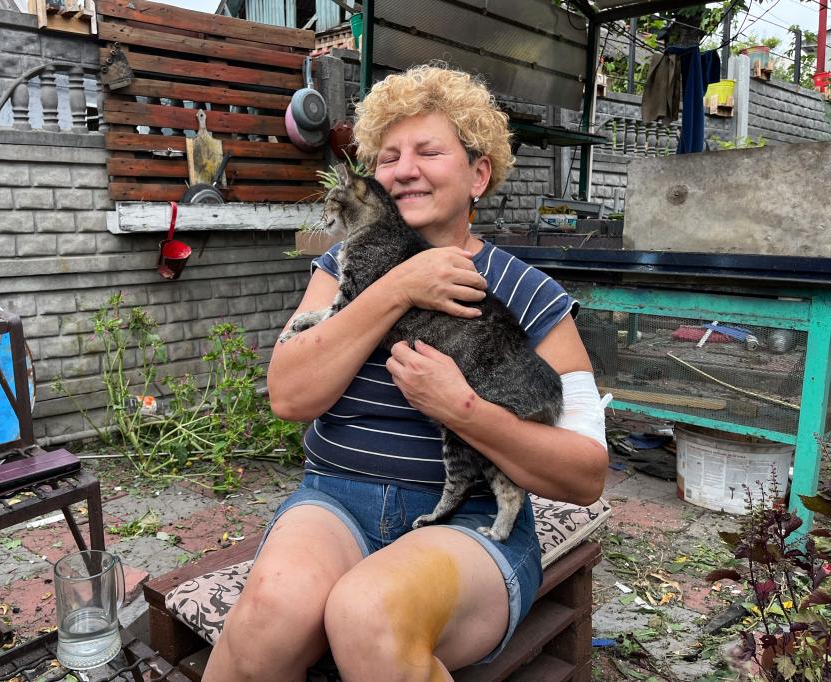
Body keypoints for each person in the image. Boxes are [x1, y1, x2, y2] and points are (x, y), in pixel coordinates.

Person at [203, 63, 609, 682]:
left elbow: (584, 475)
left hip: (469, 521)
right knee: (268, 615)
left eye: (428, 150)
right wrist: (396, 288)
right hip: (335, 500)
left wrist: (462, 409)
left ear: (479, 174)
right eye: (388, 156)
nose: (404, 170)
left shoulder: (527, 292)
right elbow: (288, 394)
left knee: (370, 615)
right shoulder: (343, 267)